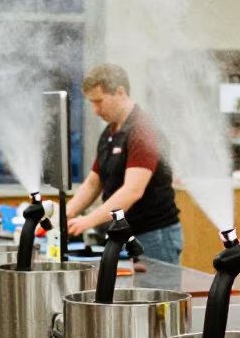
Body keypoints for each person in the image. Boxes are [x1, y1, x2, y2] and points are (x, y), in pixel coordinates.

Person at [66, 63, 183, 265]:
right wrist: (67, 212)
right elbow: (93, 183)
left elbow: (132, 191)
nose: (95, 110)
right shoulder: (110, 132)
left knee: (155, 288)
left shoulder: (143, 131)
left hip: (153, 237)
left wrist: (88, 221)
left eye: (99, 101)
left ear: (120, 93)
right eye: (91, 103)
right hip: (124, 233)